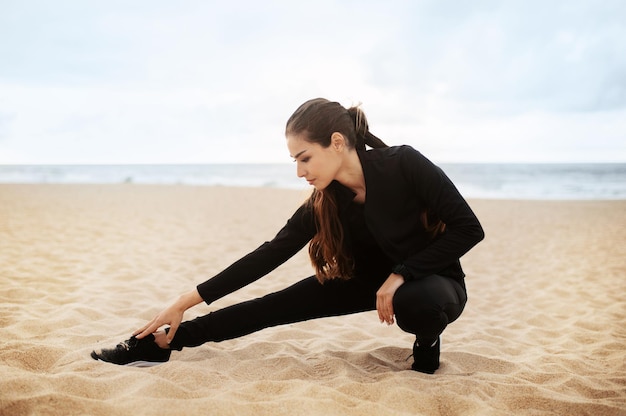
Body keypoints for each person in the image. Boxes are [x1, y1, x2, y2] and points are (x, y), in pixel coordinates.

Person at [91, 98, 484, 374]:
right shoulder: (326, 201)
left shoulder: (404, 164)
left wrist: (402, 273)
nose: (300, 172)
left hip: (432, 280)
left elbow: (470, 227)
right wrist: (185, 302)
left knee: (420, 302)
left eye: (305, 158)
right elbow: (268, 254)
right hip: (363, 282)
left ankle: (427, 344)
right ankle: (162, 344)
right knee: (270, 306)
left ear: (336, 142)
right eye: (295, 161)